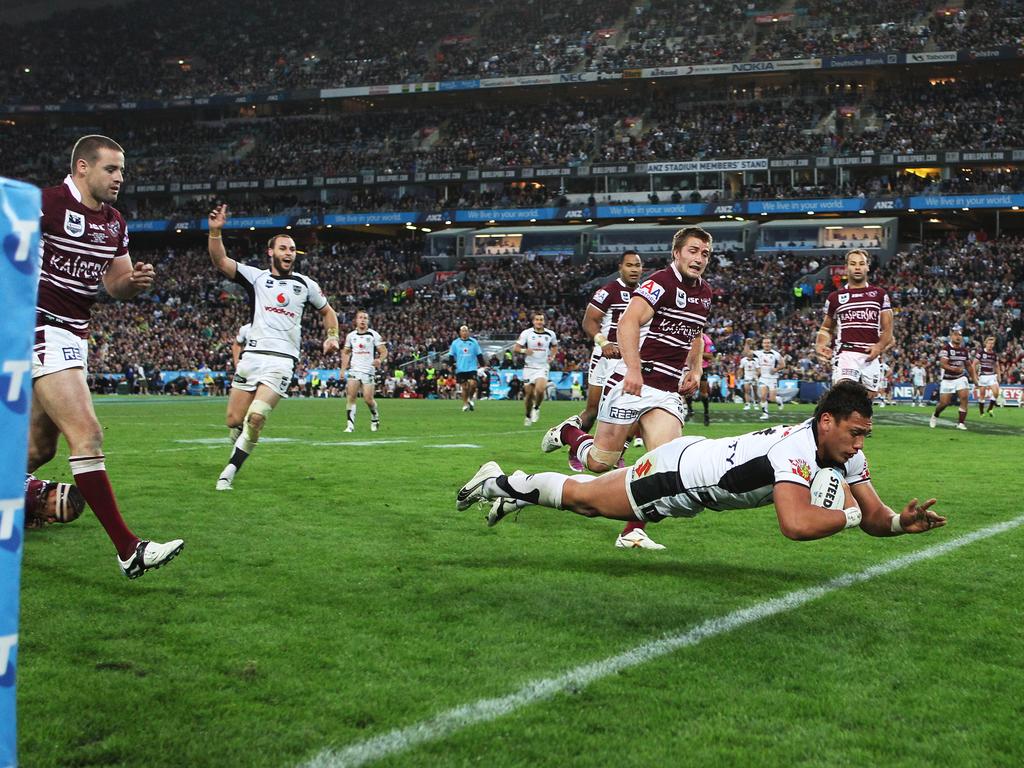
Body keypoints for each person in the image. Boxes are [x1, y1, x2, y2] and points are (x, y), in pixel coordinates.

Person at [458, 382, 946, 543]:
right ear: (827, 422)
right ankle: (502, 480)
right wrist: (852, 514)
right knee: (586, 500)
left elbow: (876, 517)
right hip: (679, 476)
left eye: (866, 434)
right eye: (856, 432)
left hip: (698, 465)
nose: (861, 444)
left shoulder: (845, 453)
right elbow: (794, 525)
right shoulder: (797, 449)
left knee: (590, 491)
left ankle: (513, 487)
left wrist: (900, 524)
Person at [28, 134, 184, 578]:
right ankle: (129, 549)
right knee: (88, 434)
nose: (120, 178)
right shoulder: (46, 204)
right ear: (82, 167)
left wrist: (132, 284)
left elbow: (114, 284)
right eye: (111, 169)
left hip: (74, 333)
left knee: (38, 448)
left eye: (122, 171)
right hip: (38, 326)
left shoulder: (114, 222)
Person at [539, 227, 714, 550]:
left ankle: (631, 531)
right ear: (676, 253)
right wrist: (633, 369)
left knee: (664, 465)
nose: (699, 258)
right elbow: (627, 322)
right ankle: (569, 434)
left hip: (667, 389)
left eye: (704, 253)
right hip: (634, 380)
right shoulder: (659, 282)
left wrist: (696, 368)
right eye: (692, 251)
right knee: (599, 463)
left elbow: (696, 333)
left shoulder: (705, 292)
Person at [208, 204, 339, 488]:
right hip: (252, 358)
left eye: (292, 249)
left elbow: (329, 312)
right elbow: (221, 261)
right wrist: (216, 231)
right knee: (234, 419)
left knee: (256, 418)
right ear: (271, 252)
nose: (289, 253)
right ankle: (239, 438)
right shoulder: (256, 278)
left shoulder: (306, 285)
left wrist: (332, 336)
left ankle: (229, 472)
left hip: (282, 361)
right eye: (283, 248)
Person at [576, 250, 644, 433]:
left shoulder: (646, 293)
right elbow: (589, 321)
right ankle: (575, 445)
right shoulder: (609, 291)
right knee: (593, 410)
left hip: (629, 360)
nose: (634, 269)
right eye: (629, 265)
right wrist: (603, 342)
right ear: (620, 268)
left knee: (628, 410)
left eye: (637, 265)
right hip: (605, 358)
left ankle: (615, 455)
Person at [814, 248, 893, 400]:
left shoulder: (879, 294)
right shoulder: (835, 297)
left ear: (867, 267)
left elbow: (888, 329)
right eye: (853, 263)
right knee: (844, 395)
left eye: (861, 263)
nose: (857, 267)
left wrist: (879, 346)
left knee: (866, 402)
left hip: (870, 356)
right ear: (846, 267)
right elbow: (826, 328)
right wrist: (820, 345)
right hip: (846, 353)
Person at [341, 310, 388, 431]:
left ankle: (375, 417)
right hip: (354, 370)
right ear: (356, 320)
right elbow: (346, 353)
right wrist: (342, 369)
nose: (363, 320)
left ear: (368, 321)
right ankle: (350, 426)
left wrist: (379, 360)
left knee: (368, 399)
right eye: (360, 317)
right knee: (351, 397)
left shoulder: (373, 335)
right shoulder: (351, 336)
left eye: (365, 318)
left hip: (368, 371)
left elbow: (384, 351)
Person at [514, 312, 558, 427]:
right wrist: (524, 351)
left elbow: (554, 346)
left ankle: (537, 407)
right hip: (528, 368)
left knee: (540, 389)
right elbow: (516, 348)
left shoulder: (550, 334)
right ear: (533, 321)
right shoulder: (526, 333)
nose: (539, 322)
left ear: (544, 321)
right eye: (537, 319)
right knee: (528, 394)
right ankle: (528, 415)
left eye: (541, 319)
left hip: (543, 367)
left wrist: (552, 356)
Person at [929, 327, 978, 431]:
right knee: (944, 403)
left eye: (960, 335)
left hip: (960, 377)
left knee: (964, 397)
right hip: (948, 379)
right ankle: (935, 414)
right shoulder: (946, 349)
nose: (958, 337)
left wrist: (975, 379)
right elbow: (943, 364)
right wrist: (954, 369)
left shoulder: (964, 351)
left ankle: (961, 423)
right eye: (955, 334)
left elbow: (969, 366)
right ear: (951, 336)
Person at [449, 325, 485, 412]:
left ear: (468, 332)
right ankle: (465, 404)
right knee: (464, 387)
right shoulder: (455, 343)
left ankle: (470, 398)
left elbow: (479, 354)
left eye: (466, 331)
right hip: (460, 368)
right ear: (460, 332)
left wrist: (482, 365)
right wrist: (451, 365)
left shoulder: (474, 342)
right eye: (463, 331)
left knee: (473, 384)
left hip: (472, 367)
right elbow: (451, 355)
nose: (465, 332)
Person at [685, 332, 715, 426]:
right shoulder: (687, 335)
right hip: (689, 367)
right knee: (687, 390)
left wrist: (698, 352)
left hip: (702, 368)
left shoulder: (706, 339)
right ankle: (690, 410)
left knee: (703, 393)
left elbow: (710, 356)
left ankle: (706, 414)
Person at [754, 336, 785, 420]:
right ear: (762, 344)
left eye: (768, 343)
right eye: (765, 343)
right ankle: (765, 414)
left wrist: (776, 369)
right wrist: (746, 343)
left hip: (772, 378)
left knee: (772, 398)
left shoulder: (776, 354)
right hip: (763, 378)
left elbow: (783, 365)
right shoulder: (758, 353)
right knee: (763, 396)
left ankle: (779, 400)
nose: (766, 344)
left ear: (771, 344)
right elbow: (746, 353)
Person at [974, 336, 1001, 417]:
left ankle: (990, 408)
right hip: (983, 376)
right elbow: (974, 364)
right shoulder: (981, 353)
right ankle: (981, 412)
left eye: (992, 344)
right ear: (986, 343)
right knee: (982, 395)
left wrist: (999, 375)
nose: (991, 345)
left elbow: (996, 366)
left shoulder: (994, 354)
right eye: (989, 343)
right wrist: (975, 376)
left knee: (996, 392)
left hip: (992, 375)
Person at [739, 342, 759, 412]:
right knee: (747, 390)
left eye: (751, 352)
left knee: (755, 391)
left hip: (754, 377)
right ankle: (747, 404)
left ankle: (756, 403)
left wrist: (756, 376)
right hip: (747, 377)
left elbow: (758, 369)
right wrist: (739, 376)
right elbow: (740, 369)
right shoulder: (743, 360)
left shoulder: (756, 360)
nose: (750, 353)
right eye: (748, 352)